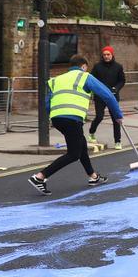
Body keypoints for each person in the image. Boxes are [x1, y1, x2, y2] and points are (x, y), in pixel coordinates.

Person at [29, 54, 122, 195]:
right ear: (83, 66)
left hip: (57, 118)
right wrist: (117, 115)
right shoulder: (84, 77)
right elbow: (108, 95)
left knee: (81, 145)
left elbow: (48, 103)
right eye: (86, 68)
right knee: (74, 154)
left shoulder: (56, 80)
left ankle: (93, 177)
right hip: (72, 118)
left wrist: (53, 116)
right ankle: (40, 177)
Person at [88, 45, 125, 149]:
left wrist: (116, 88)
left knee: (115, 119)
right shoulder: (97, 66)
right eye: (104, 55)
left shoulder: (118, 67)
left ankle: (117, 141)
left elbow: (122, 80)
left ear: (112, 55)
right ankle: (91, 133)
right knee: (99, 116)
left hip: (112, 96)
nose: (106, 56)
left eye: (108, 54)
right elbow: (91, 80)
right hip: (100, 96)